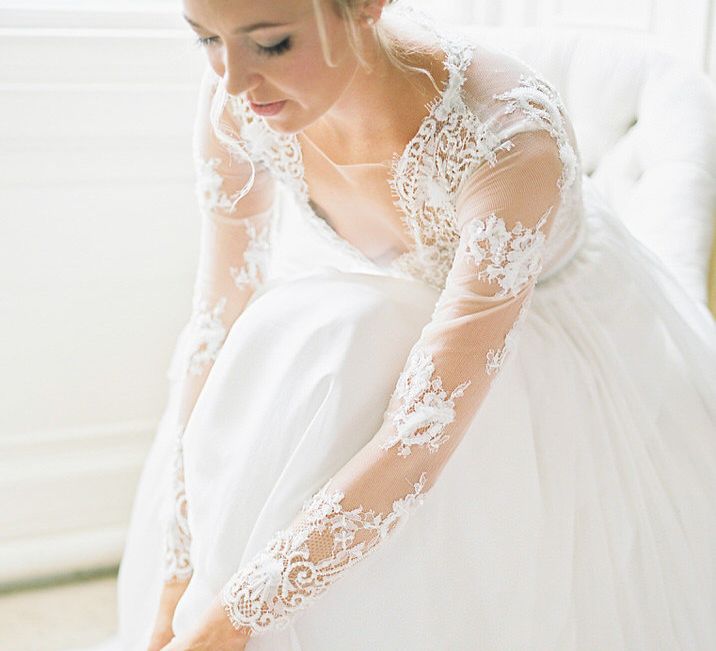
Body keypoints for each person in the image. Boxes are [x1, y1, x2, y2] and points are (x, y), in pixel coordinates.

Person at [83, 0, 716, 649]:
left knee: (349, 348)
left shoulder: (508, 139)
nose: (235, 81)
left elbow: (423, 429)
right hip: (408, 312)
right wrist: (178, 581)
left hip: (541, 337)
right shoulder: (241, 102)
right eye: (207, 41)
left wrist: (239, 612)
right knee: (291, 347)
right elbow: (216, 322)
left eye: (270, 45)